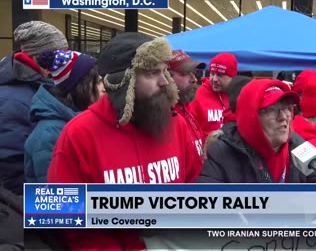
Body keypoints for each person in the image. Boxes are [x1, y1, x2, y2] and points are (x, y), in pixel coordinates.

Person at [47, 33, 203, 250]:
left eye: (164, 71)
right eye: (152, 73)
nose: (164, 81)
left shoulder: (176, 125)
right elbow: (72, 223)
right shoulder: (79, 135)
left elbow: (194, 190)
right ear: (123, 82)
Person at [197, 79, 316, 183]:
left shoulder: (300, 147)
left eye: (287, 108)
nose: (284, 117)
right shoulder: (222, 154)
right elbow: (207, 212)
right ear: (251, 116)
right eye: (273, 110)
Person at [0, 21, 68, 194]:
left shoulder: (43, 84)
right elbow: (11, 167)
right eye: (59, 56)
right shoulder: (10, 100)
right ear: (39, 56)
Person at [24, 49, 101, 183]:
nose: (103, 87)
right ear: (80, 87)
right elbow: (59, 197)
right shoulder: (50, 136)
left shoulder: (83, 121)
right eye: (97, 82)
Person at [167, 50, 206, 156]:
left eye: (194, 73)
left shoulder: (188, 107)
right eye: (184, 74)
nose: (194, 79)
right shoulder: (164, 118)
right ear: (167, 77)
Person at [190, 52, 237, 138]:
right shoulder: (197, 96)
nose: (214, 79)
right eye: (212, 73)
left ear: (232, 77)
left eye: (220, 75)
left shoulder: (238, 97)